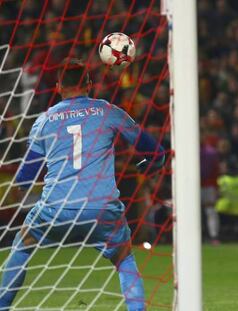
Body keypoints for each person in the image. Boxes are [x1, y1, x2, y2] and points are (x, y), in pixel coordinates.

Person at [0, 59, 165, 311]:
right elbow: (156, 152)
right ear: (89, 84)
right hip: (101, 208)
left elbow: (26, 177)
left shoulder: (44, 121)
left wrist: (28, 183)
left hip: (55, 208)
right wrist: (147, 166)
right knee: (124, 258)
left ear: (58, 87)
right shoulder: (108, 111)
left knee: (21, 246)